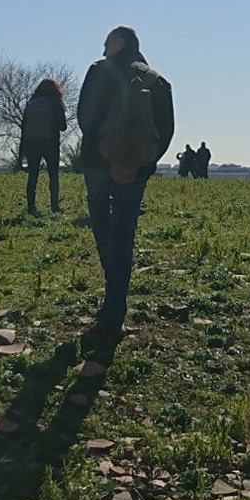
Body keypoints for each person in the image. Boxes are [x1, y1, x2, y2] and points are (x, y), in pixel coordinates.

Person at [76, 26, 175, 342]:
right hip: (135, 172)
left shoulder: (98, 71)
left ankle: (112, 293)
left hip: (96, 166)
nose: (104, 48)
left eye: (106, 42)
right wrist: (137, 164)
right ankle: (114, 310)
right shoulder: (158, 81)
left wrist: (107, 160)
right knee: (124, 232)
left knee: (103, 227)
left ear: (119, 43)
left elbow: (85, 119)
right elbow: (166, 130)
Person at [20, 77, 68, 215]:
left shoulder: (31, 102)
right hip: (50, 143)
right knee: (53, 175)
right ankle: (54, 206)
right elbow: (63, 126)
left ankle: (31, 207)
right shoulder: (55, 101)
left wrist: (22, 150)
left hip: (32, 144)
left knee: (33, 176)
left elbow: (24, 127)